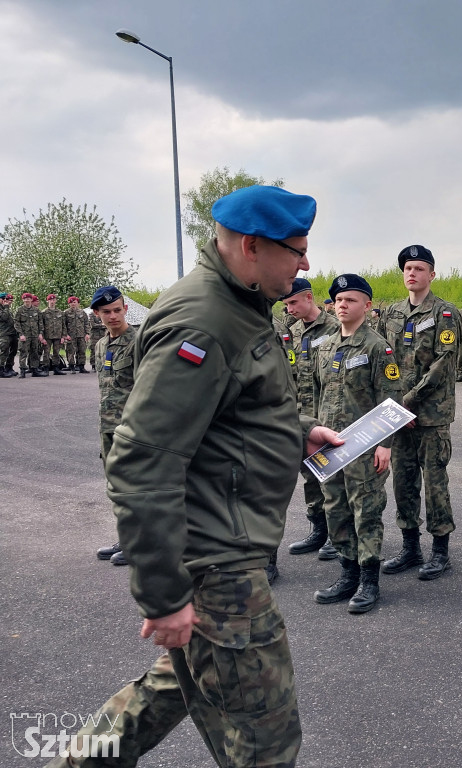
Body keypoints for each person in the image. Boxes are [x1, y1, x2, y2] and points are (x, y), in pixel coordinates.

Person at [52, 185, 340, 768]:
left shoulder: (239, 300)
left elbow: (231, 410)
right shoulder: (205, 321)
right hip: (219, 561)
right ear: (252, 246)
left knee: (173, 688)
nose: (306, 264)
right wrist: (162, 597)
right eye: (298, 249)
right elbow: (141, 460)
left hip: (216, 547)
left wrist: (298, 431)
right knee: (266, 737)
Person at [311, 274, 403, 612]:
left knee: (366, 511)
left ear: (367, 305)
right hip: (331, 446)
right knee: (335, 508)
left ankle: (369, 581)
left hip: (365, 446)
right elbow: (320, 396)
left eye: (350, 300)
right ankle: (347, 573)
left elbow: (391, 399)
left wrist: (385, 444)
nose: (342, 305)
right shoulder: (326, 346)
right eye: (338, 300)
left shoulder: (378, 347)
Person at [380, 245, 460, 581]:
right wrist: (392, 400)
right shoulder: (392, 313)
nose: (412, 273)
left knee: (435, 483)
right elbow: (385, 358)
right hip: (398, 414)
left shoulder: (444, 313)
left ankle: (440, 552)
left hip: (430, 414)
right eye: (408, 268)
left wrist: (408, 399)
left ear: (432, 274)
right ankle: (410, 547)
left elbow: (444, 363)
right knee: (403, 482)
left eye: (419, 268)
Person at [283, 278, 340, 569]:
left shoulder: (334, 327)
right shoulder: (290, 333)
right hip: (301, 415)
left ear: (308, 298)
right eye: (286, 304)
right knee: (310, 474)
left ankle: (336, 532)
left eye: (293, 302)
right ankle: (318, 529)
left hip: (327, 414)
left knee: (330, 474)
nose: (290, 308)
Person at [92, 286, 137, 567]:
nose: (112, 316)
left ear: (125, 309)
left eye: (117, 310)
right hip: (107, 427)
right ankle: (126, 538)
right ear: (97, 314)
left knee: (136, 487)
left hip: (133, 429)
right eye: (106, 312)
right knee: (116, 488)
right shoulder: (100, 346)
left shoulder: (140, 341)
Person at [14, 292, 45, 377]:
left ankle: (34, 370)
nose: (27, 300)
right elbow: (17, 323)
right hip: (25, 335)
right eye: (25, 299)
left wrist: (40, 333)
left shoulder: (36, 310)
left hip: (35, 335)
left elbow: (40, 323)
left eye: (28, 299)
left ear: (31, 300)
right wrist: (21, 334)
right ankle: (23, 370)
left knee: (34, 352)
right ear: (23, 300)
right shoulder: (20, 310)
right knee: (23, 352)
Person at [41, 293, 68, 375]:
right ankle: (46, 368)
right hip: (47, 336)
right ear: (47, 301)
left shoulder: (60, 312)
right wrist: (42, 337)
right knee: (46, 352)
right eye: (50, 300)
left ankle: (56, 368)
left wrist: (63, 336)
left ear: (55, 301)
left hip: (57, 335)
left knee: (56, 352)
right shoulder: (44, 313)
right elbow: (41, 325)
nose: (52, 302)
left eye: (53, 300)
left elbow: (63, 325)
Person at [63, 296, 90, 373]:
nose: (73, 304)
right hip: (71, 335)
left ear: (78, 303)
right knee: (71, 351)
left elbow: (86, 323)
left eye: (74, 302)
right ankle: (72, 367)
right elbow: (63, 325)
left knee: (82, 350)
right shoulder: (66, 313)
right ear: (69, 304)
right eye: (71, 302)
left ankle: (81, 366)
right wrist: (65, 334)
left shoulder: (82, 312)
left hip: (81, 334)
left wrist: (87, 333)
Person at [0, 292, 18, 377]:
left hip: (12, 333)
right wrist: (6, 307)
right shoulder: (3, 309)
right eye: (4, 299)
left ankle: (8, 367)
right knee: (4, 351)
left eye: (7, 300)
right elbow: (4, 318)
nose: (6, 301)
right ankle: (1, 369)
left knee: (13, 351)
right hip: (4, 334)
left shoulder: (7, 309)